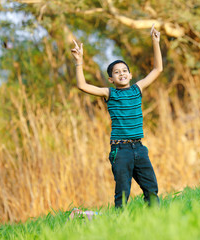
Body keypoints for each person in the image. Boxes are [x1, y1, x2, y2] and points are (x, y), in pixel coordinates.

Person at [70, 24, 163, 208]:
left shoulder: (138, 88)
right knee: (122, 193)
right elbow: (83, 86)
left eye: (124, 71)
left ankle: (156, 221)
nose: (121, 73)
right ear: (111, 79)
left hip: (139, 148)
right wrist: (79, 62)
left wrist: (155, 42)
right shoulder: (110, 93)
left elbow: (157, 69)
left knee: (151, 188)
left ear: (130, 74)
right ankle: (119, 225)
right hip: (120, 151)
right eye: (116, 72)